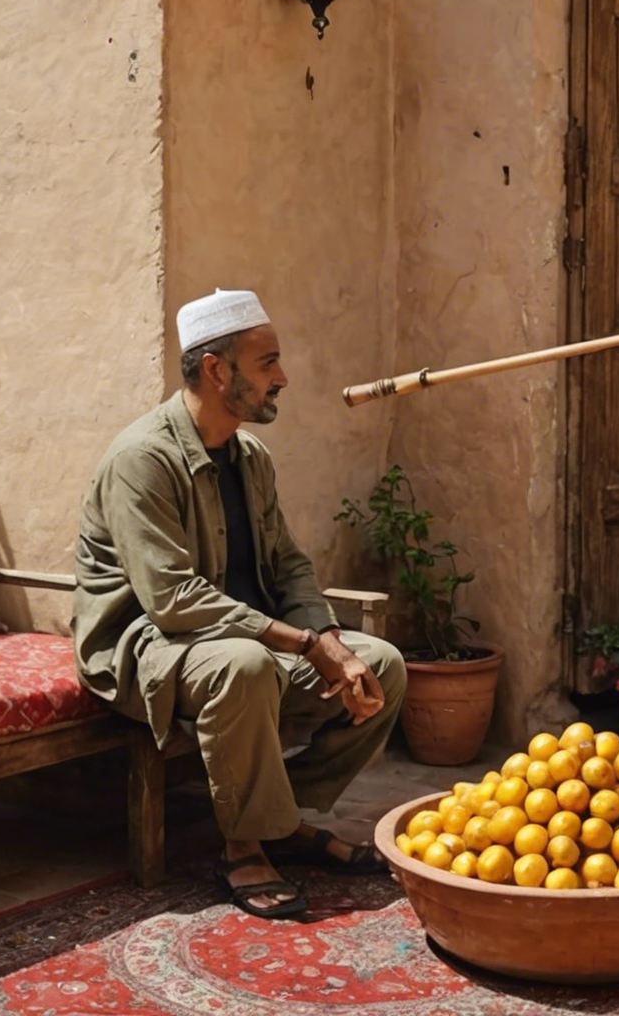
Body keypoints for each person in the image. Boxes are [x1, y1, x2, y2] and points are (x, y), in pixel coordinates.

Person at [72, 288, 406, 918]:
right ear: (217, 370)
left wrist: (329, 639)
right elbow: (172, 600)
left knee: (382, 661)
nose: (282, 378)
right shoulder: (142, 460)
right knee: (242, 667)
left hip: (246, 640)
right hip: (148, 647)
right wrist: (305, 644)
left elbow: (288, 565)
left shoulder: (250, 457)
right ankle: (243, 845)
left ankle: (278, 817)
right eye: (267, 363)